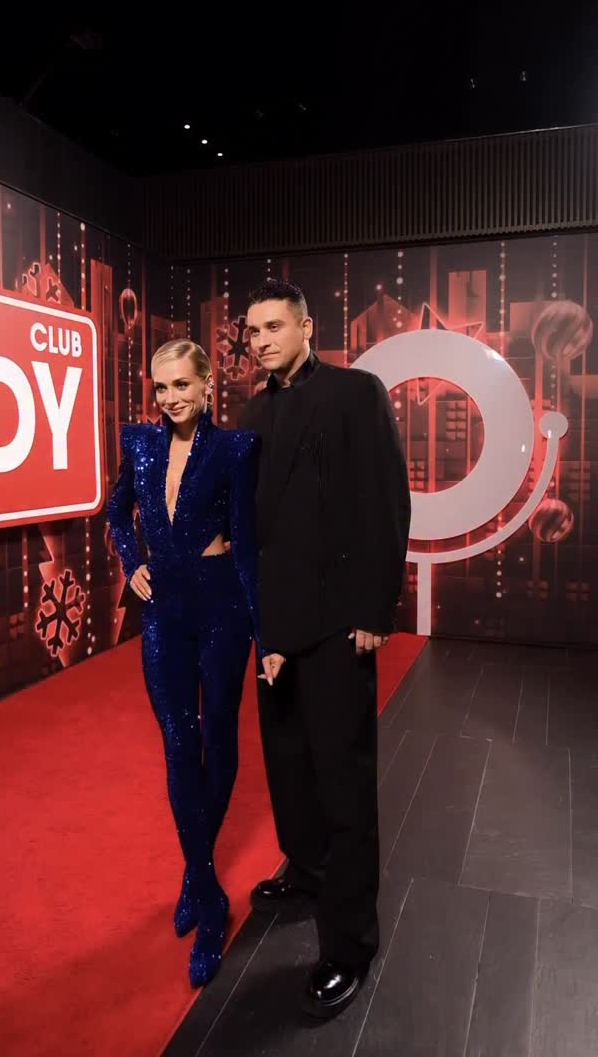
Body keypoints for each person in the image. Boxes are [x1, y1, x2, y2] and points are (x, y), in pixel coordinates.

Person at [240, 279, 411, 1018]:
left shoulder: (355, 392)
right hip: (277, 625)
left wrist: (376, 607)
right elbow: (255, 525)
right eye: (252, 331)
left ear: (307, 327)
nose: (261, 341)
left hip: (341, 622)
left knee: (343, 784)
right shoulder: (252, 411)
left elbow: (386, 500)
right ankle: (308, 872)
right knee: (288, 766)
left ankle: (349, 946)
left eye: (274, 326)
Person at [107, 339, 263, 988]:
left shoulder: (235, 450)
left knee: (218, 737)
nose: (170, 397)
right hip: (163, 608)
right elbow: (117, 512)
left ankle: (195, 878)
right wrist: (130, 564)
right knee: (178, 741)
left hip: (221, 604)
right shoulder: (140, 444)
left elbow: (248, 544)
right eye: (161, 387)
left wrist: (267, 636)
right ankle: (208, 890)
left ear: (206, 386)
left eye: (181, 385)